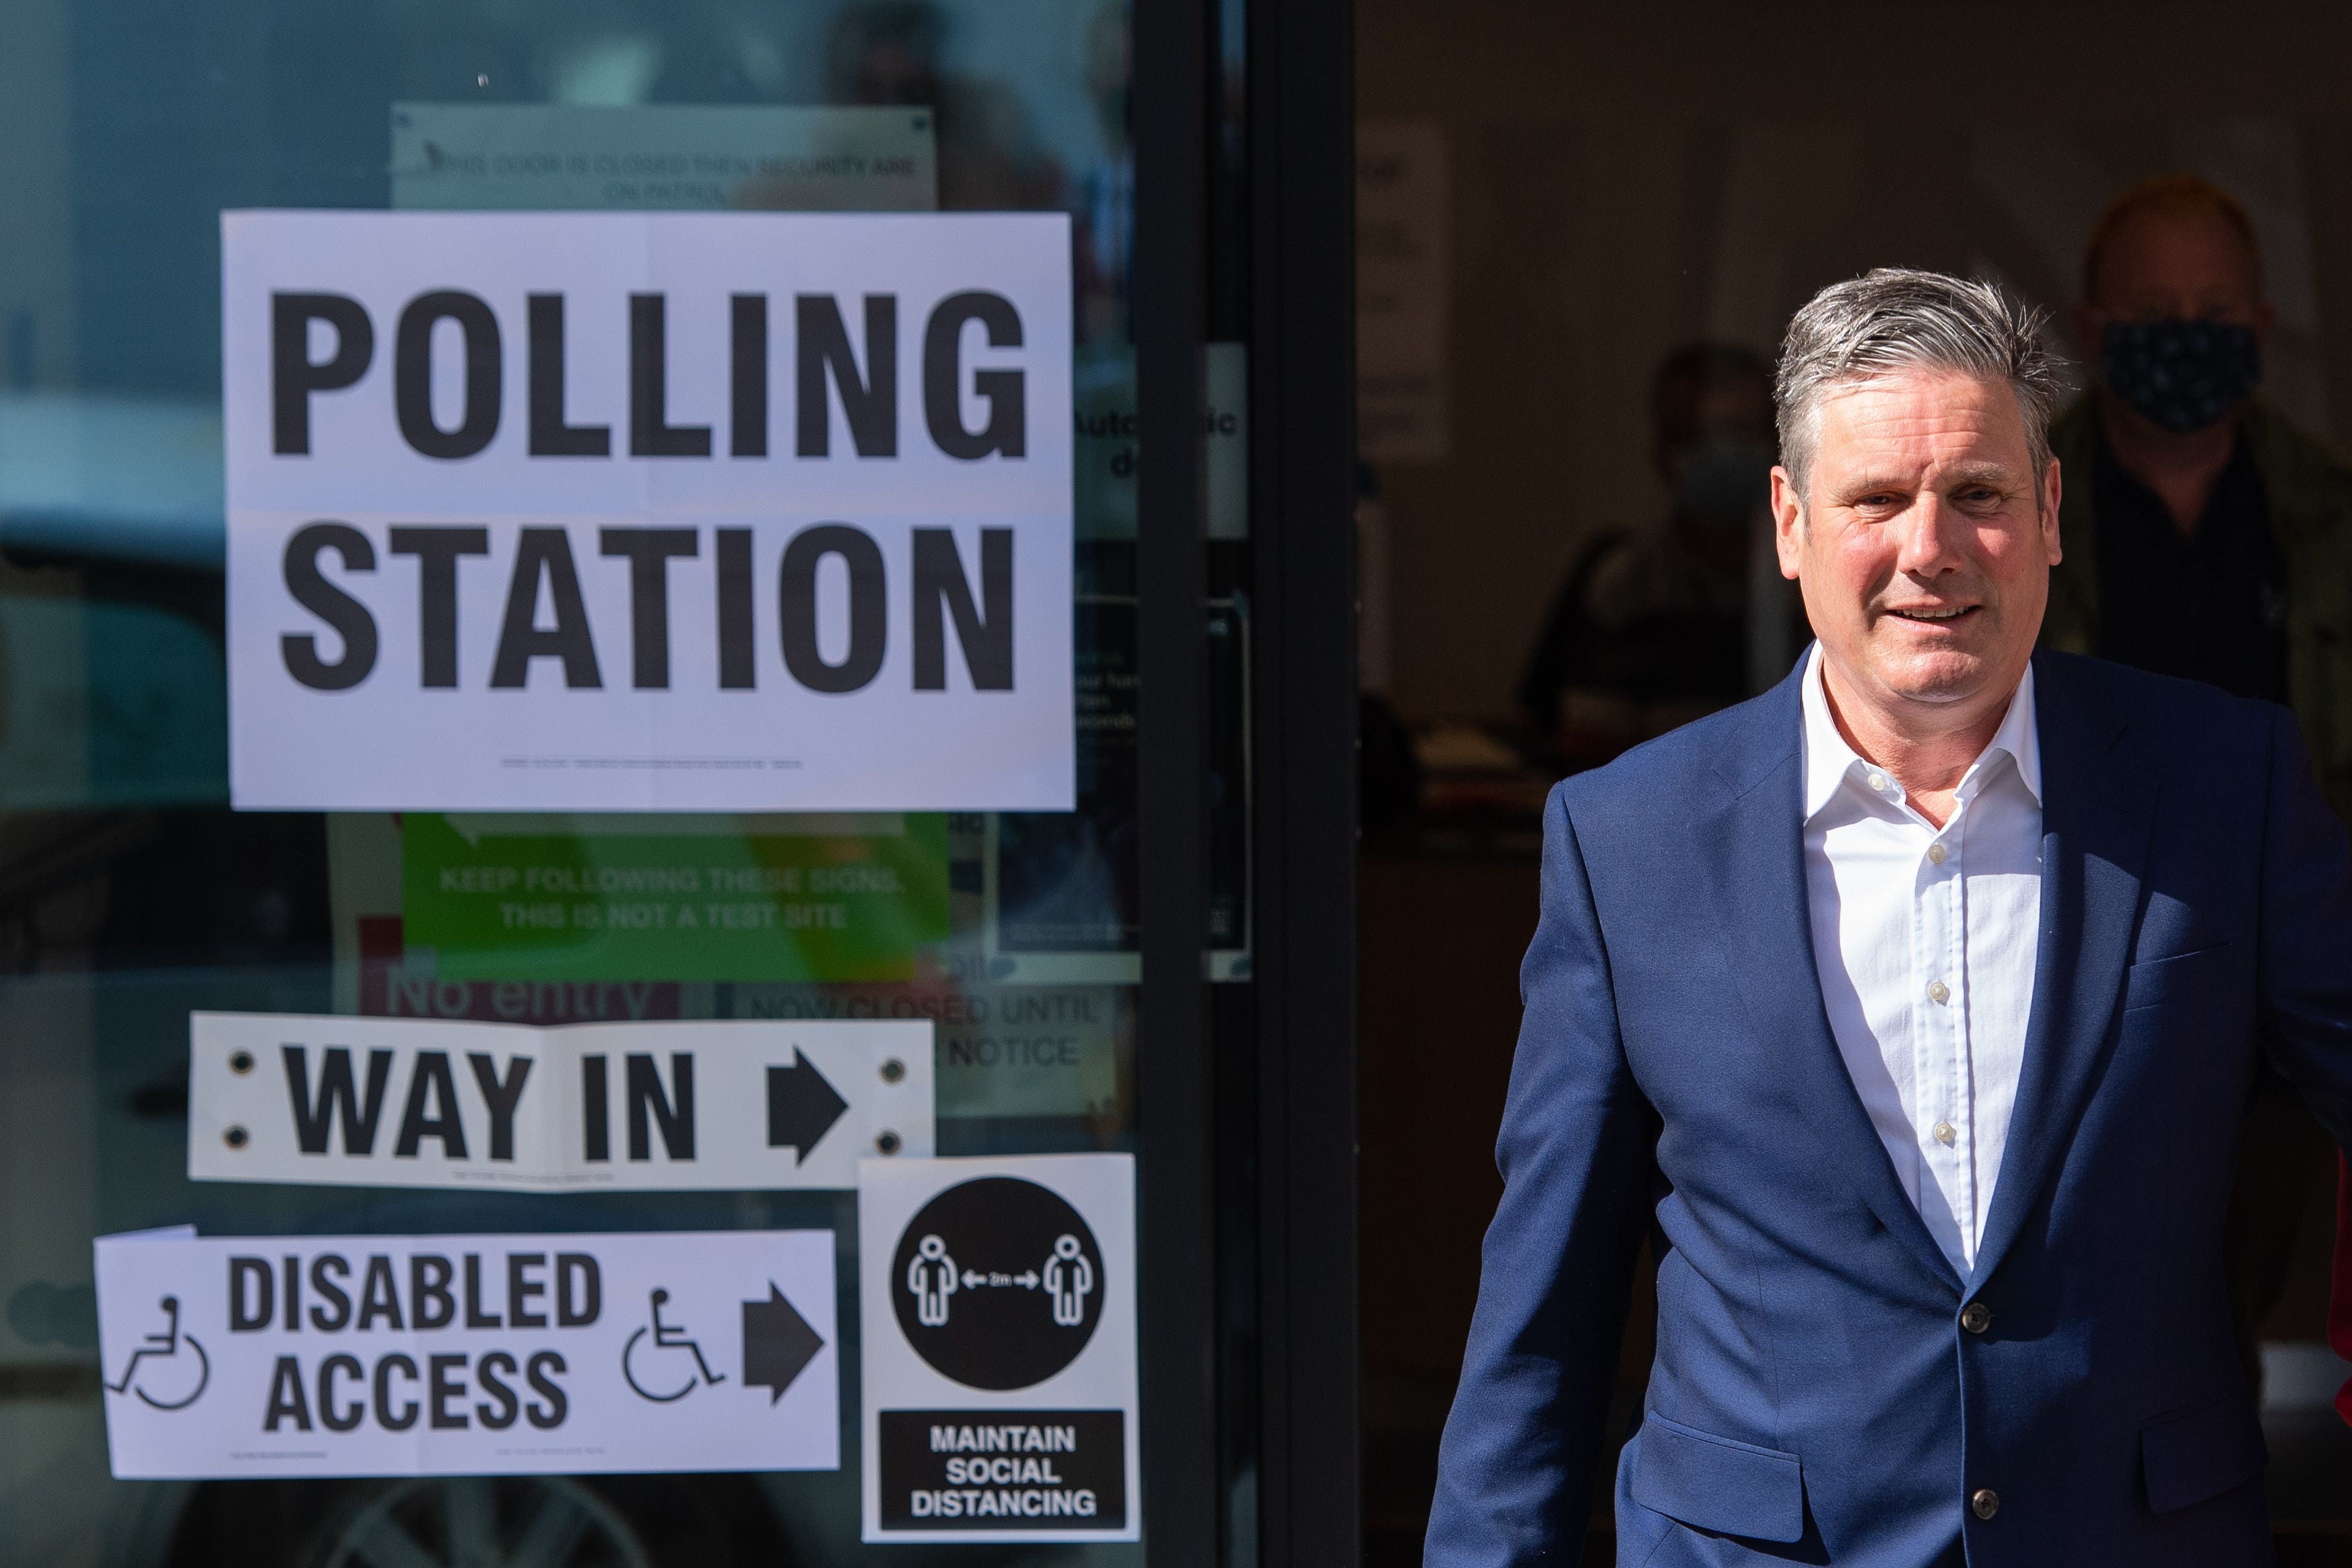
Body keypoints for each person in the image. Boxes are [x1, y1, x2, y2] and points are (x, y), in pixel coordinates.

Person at [1426, 267, 2352, 1565]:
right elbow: (1542, 1313)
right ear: (1789, 522)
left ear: (2046, 513)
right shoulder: (1627, 838)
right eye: (1875, 499)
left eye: (1976, 493)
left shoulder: (2220, 786)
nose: (1930, 547)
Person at [2040, 173, 2352, 1404]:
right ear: (2093, 326)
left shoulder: (2325, 512)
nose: (2185, 328)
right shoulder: (2016, 505)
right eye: (2152, 305)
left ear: (2262, 326)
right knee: (2088, 1303)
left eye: (2212, 303)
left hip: (2280, 982)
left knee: (2230, 1298)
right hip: (2071, 968)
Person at [1516, 345, 1792, 768]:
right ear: (1663, 452)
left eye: (1739, 433)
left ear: (1778, 444)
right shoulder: (1618, 583)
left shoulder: (1812, 584)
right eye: (1696, 436)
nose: (1721, 453)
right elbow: (1565, 744)